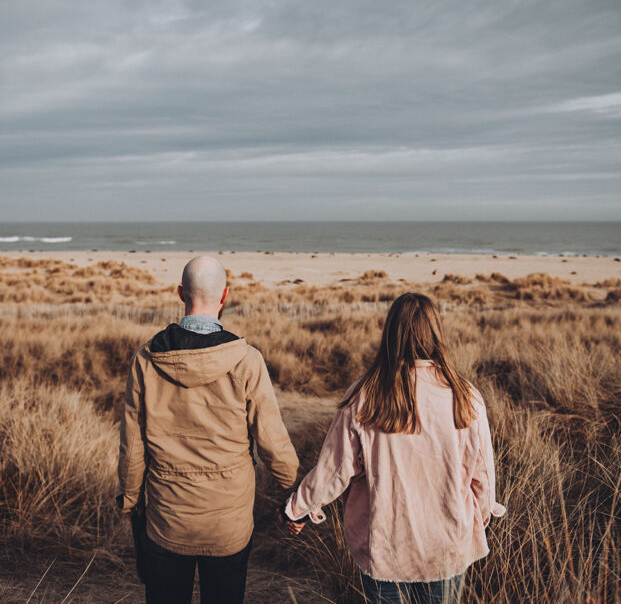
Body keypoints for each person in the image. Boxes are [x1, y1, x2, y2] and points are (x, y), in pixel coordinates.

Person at [281, 292, 505, 604]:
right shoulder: (465, 395)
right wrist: (478, 519)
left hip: (385, 549)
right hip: (447, 545)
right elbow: (481, 473)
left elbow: (335, 470)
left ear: (390, 333)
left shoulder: (365, 395)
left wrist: (297, 509)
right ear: (436, 333)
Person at [118, 255, 299, 604]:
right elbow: (273, 442)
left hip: (166, 519)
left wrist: (129, 500)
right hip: (228, 523)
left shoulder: (146, 359)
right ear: (225, 295)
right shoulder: (247, 360)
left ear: (180, 292)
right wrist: (296, 495)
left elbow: (133, 443)